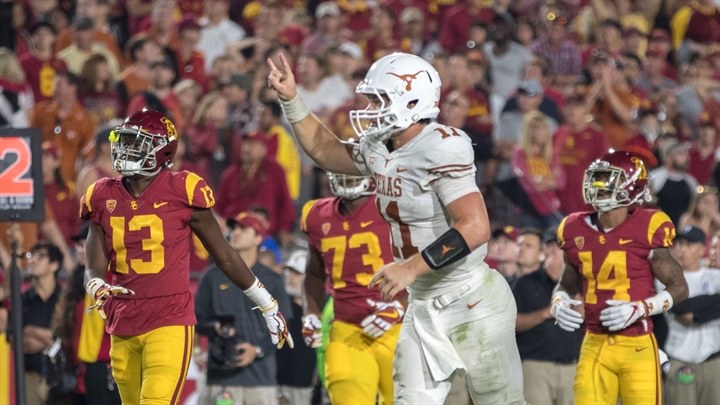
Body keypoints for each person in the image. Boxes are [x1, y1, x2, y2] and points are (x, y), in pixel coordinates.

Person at [269, 51, 524, 404]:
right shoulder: (379, 146)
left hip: (471, 298)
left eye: (380, 99)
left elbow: (476, 226)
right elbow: (326, 151)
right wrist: (292, 101)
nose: (371, 108)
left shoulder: (441, 145)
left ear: (413, 99)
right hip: (422, 302)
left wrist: (411, 267)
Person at [80, 109, 291, 405]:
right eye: (125, 141)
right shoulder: (101, 194)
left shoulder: (184, 189)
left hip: (168, 320)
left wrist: (267, 304)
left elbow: (225, 255)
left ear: (163, 150)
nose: (127, 149)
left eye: (138, 143)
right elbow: (94, 264)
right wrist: (96, 286)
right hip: (123, 322)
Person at [550, 149, 689, 404]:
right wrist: (558, 302)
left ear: (632, 186)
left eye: (607, 180)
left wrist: (641, 309)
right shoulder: (573, 227)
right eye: (597, 178)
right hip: (594, 343)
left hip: (637, 345)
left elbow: (679, 288)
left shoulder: (649, 226)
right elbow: (566, 285)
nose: (598, 186)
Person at [301, 171, 402, 405]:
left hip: (400, 327)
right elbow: (314, 274)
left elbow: (424, 262)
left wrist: (402, 305)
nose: (347, 174)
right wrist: (310, 312)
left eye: (353, 168)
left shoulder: (394, 206)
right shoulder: (316, 215)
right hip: (347, 329)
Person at [195, 212, 292, 405]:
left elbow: (283, 325)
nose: (235, 232)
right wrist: (215, 326)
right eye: (234, 228)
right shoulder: (211, 277)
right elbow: (197, 320)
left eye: (243, 228)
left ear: (258, 238)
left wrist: (257, 350)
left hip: (260, 380)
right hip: (221, 377)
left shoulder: (272, 280)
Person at [512, 229, 582, 405]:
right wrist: (545, 313)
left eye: (558, 248)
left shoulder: (577, 282)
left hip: (571, 366)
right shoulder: (525, 283)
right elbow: (512, 323)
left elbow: (584, 313)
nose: (553, 251)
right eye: (549, 246)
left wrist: (564, 281)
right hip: (536, 367)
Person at [662, 226, 720, 405]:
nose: (681, 248)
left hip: (713, 362)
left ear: (702, 249)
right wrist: (715, 301)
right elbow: (685, 314)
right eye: (678, 243)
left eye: (688, 244)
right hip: (682, 362)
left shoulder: (715, 276)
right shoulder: (665, 278)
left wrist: (694, 308)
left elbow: (688, 310)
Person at [276, 250, 316, 405]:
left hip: (307, 389)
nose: (290, 276)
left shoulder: (322, 309)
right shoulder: (275, 307)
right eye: (289, 271)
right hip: (276, 385)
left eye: (297, 272)